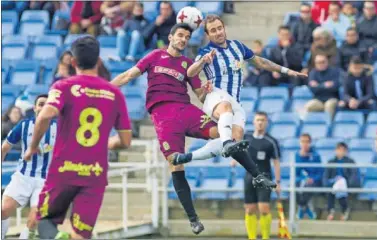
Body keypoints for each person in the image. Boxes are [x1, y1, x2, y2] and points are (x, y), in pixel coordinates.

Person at [111, 23, 275, 235]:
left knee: (226, 133)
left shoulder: (188, 63)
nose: (183, 39)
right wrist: (102, 88)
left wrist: (206, 91)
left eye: (187, 37)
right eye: (179, 35)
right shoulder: (154, 56)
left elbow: (200, 95)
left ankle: (257, 175)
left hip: (186, 110)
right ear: (170, 37)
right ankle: (193, 218)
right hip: (163, 117)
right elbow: (127, 75)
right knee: (175, 165)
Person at [23, 36, 132, 239]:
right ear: (98, 61)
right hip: (94, 174)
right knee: (81, 233)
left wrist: (33, 147)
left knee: (44, 220)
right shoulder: (114, 94)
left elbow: (45, 115)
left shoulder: (64, 86)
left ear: (73, 62)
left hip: (63, 170)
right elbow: (125, 141)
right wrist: (105, 143)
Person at [174, 14, 305, 167]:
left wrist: (286, 70)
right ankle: (227, 142)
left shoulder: (237, 46)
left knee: (234, 141)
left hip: (234, 100)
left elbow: (261, 62)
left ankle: (188, 157)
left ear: (224, 28)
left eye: (219, 28)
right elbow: (190, 72)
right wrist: (203, 61)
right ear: (207, 34)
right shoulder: (206, 52)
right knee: (226, 110)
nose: (218, 32)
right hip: (215, 96)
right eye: (213, 30)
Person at [1, 94, 56, 240]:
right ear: (35, 108)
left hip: (46, 181)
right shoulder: (24, 125)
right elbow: (5, 147)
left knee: (34, 219)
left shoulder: (59, 128)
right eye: (41, 104)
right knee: (3, 210)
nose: (44, 107)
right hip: (23, 176)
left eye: (47, 104)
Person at [231, 112, 281, 240]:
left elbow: (276, 162)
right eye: (258, 120)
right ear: (253, 122)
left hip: (265, 177)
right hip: (249, 177)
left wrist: (278, 182)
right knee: (249, 209)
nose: (260, 122)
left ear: (267, 123)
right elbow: (238, 149)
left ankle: (265, 237)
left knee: (264, 208)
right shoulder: (246, 137)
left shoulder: (271, 141)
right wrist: (235, 159)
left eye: (263, 120)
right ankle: (252, 237)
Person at [323, 142, 360, 221]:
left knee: (341, 184)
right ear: (336, 150)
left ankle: (331, 211)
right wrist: (331, 182)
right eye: (339, 149)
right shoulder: (331, 162)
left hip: (345, 184)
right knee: (335, 186)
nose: (341, 151)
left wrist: (347, 183)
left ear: (346, 151)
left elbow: (353, 175)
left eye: (343, 150)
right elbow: (326, 176)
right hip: (333, 183)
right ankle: (344, 210)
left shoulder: (350, 161)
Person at [295, 133, 323, 220]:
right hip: (301, 180)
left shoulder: (316, 155)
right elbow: (296, 172)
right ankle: (305, 208)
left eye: (307, 142)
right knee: (294, 187)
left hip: (313, 181)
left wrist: (313, 179)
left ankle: (302, 208)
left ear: (310, 143)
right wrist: (301, 158)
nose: (305, 144)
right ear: (300, 143)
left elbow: (320, 172)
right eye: (302, 142)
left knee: (307, 187)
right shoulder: (297, 155)